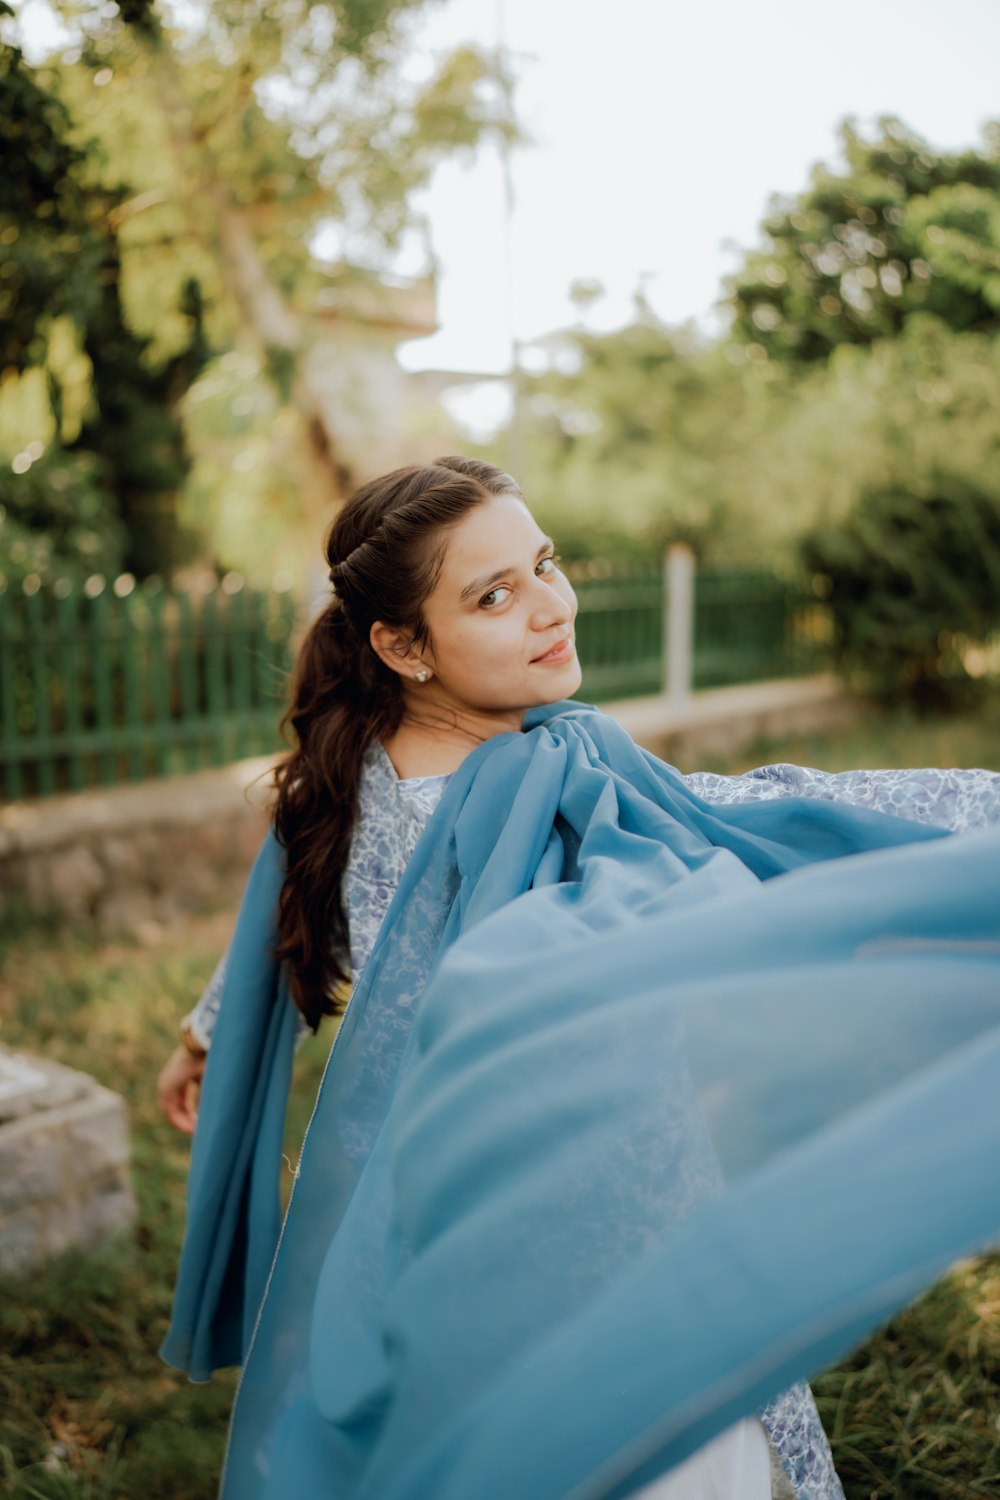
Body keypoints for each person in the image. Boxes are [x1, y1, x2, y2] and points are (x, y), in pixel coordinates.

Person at [159, 457, 1000, 1500]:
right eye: (493, 595)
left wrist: (204, 1034)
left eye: (543, 564)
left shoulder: (347, 775)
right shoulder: (556, 785)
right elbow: (756, 823)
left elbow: (300, 925)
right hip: (600, 1233)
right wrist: (976, 815)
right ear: (401, 645)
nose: (551, 608)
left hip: (431, 1219)